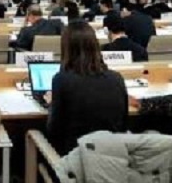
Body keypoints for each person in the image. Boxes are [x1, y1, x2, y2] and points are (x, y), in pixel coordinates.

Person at [46, 21, 128, 156]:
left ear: (66, 48)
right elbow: (123, 125)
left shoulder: (62, 80)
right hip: (113, 158)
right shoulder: (117, 78)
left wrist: (52, 104)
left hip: (75, 159)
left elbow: (53, 131)